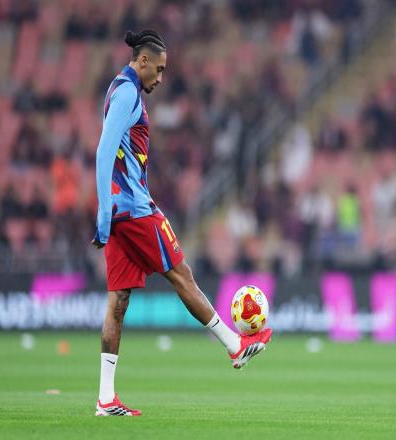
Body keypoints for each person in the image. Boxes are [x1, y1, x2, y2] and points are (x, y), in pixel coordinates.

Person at [92, 29, 272, 417]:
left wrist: (108, 210)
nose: (160, 78)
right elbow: (104, 149)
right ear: (142, 61)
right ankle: (234, 346)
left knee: (118, 303)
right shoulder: (127, 93)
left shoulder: (119, 89)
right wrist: (103, 210)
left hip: (121, 212)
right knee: (181, 273)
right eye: (158, 69)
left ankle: (105, 399)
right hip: (135, 210)